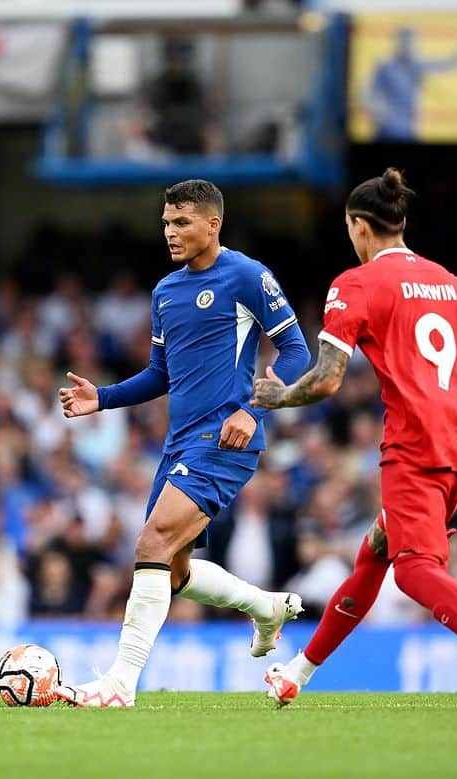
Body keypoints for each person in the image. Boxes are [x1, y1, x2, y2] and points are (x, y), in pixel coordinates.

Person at [252, 168, 457, 712]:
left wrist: (279, 396)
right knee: (377, 551)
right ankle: (296, 672)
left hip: (413, 443)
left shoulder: (356, 284)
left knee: (413, 570)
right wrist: (455, 391)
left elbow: (328, 379)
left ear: (359, 227)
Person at [56, 179, 310, 707]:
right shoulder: (166, 292)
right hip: (180, 443)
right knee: (171, 570)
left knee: (149, 545)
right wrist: (100, 398)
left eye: (183, 222)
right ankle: (264, 607)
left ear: (213, 224)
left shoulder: (246, 275)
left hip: (226, 438)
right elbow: (160, 374)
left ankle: (120, 684)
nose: (170, 232)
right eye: (167, 222)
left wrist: (251, 408)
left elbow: (295, 353)